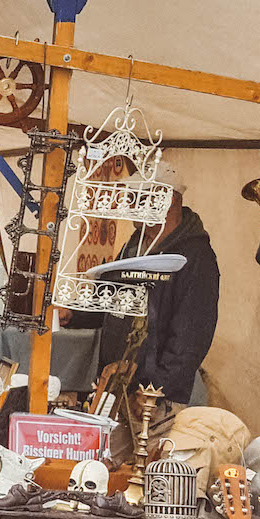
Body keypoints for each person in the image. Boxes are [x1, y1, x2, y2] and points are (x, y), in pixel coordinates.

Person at [98, 164, 220, 422]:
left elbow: (191, 337)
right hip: (120, 385)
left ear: (169, 200)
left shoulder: (196, 258)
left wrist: (155, 389)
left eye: (139, 197)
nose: (131, 204)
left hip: (154, 399)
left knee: (149, 459)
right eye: (130, 197)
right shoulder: (135, 244)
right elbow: (109, 298)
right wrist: (72, 314)